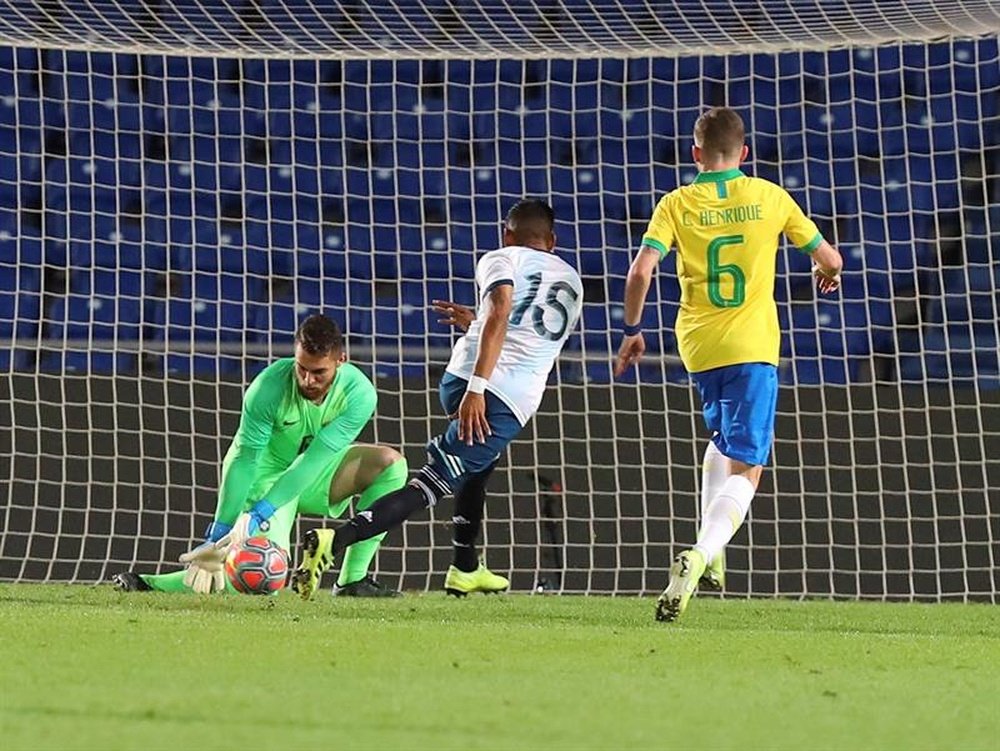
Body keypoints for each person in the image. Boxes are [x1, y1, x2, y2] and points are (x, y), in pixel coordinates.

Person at [283, 198, 584, 599]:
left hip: (464, 380)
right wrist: (479, 386)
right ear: (553, 240)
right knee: (432, 483)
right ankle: (333, 543)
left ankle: (465, 567)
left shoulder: (501, 257)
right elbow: (512, 320)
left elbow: (502, 317)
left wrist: (475, 332)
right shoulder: (572, 280)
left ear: (507, 234)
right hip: (499, 398)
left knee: (479, 467)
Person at [614, 107, 843, 622]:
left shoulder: (675, 203)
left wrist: (631, 332)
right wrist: (824, 271)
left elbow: (641, 271)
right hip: (752, 345)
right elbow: (831, 259)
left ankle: (711, 551)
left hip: (697, 346)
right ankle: (699, 555)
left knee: (721, 443)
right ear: (744, 154)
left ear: (697, 154)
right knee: (750, 466)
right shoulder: (769, 196)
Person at [112, 314, 407, 597]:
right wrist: (220, 530)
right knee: (263, 574)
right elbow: (245, 459)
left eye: (319, 372)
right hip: (264, 475)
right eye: (301, 368)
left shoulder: (360, 395)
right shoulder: (267, 389)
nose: (308, 380)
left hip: (315, 473)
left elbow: (314, 459)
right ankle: (148, 583)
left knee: (391, 466)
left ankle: (352, 581)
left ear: (341, 361)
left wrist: (262, 513)